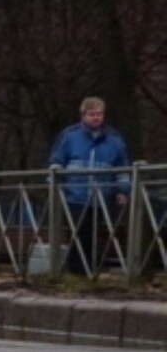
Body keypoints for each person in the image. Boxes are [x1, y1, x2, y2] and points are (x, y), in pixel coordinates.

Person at [49, 96, 130, 274]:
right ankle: (77, 271)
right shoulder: (70, 136)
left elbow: (122, 168)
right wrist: (55, 186)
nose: (96, 118)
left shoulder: (114, 140)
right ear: (83, 115)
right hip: (75, 194)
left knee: (96, 234)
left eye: (99, 114)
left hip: (102, 196)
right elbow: (57, 162)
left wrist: (122, 191)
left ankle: (90, 270)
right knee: (78, 233)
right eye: (92, 114)